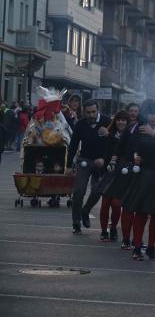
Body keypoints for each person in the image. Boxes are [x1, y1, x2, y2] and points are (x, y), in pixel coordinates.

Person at [121, 100, 155, 261]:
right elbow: (130, 148)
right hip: (144, 173)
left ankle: (151, 246)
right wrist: (135, 156)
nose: (154, 117)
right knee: (141, 211)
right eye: (151, 113)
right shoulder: (138, 129)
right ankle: (137, 246)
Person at [66, 100, 111, 235]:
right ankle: (76, 223)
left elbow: (114, 144)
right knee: (79, 191)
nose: (91, 115)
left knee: (98, 191)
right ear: (83, 112)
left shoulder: (107, 122)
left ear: (98, 110)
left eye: (93, 112)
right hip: (84, 160)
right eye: (88, 112)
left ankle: (86, 210)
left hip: (101, 162)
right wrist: (69, 165)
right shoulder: (80, 124)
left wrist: (104, 159)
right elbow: (73, 145)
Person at [94, 111, 130, 242]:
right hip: (108, 172)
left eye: (124, 120)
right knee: (105, 204)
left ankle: (113, 227)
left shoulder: (131, 136)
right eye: (118, 119)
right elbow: (102, 151)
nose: (121, 122)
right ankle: (104, 231)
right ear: (115, 121)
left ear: (127, 122)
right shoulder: (108, 135)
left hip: (122, 174)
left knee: (116, 204)